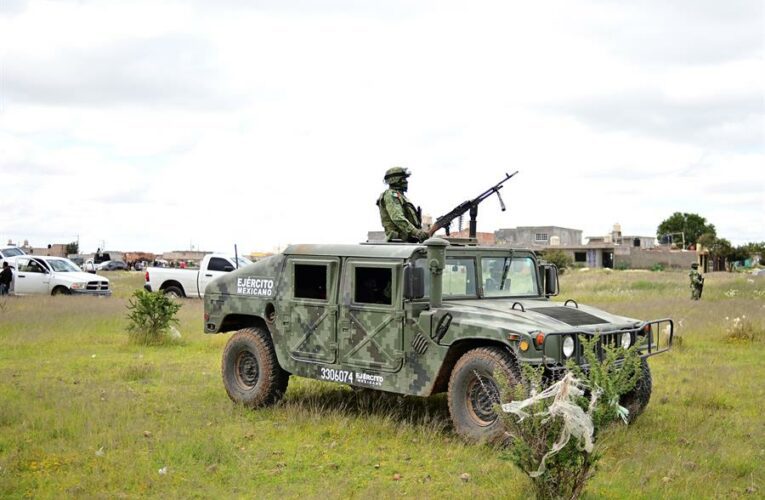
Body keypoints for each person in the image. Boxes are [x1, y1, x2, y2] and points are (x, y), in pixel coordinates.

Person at [376, 166, 429, 243]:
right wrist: (416, 232)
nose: (406, 182)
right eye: (403, 179)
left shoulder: (401, 197)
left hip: (407, 241)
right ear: (395, 180)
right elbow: (397, 217)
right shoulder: (391, 195)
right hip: (397, 241)